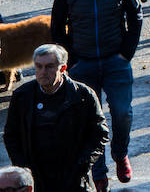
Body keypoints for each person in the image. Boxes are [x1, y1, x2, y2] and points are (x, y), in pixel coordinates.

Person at [49, 0, 142, 189]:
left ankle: (120, 152)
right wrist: (72, 59)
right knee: (90, 120)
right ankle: (98, 172)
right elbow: (56, 26)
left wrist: (126, 53)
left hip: (116, 61)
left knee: (123, 112)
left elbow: (136, 16)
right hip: (83, 65)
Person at [3, 44, 108, 192]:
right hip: (37, 176)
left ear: (63, 68)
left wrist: (82, 165)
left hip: (72, 176)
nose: (42, 72)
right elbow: (11, 135)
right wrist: (23, 168)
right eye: (38, 67)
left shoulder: (83, 95)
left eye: (49, 67)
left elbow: (99, 134)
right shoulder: (22, 96)